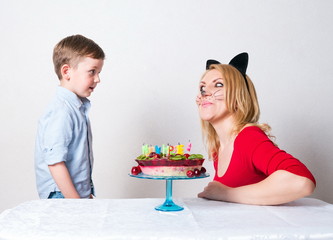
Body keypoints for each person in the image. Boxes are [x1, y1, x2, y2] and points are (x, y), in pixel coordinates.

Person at [196, 52, 316, 205]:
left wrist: (227, 193)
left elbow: (302, 182)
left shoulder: (248, 137)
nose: (206, 92)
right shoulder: (218, 147)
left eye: (218, 84)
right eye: (202, 88)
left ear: (238, 97)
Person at [35, 34, 105, 199]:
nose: (98, 79)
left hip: (74, 194)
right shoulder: (62, 111)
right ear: (67, 71)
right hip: (62, 196)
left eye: (99, 72)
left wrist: (86, 194)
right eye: (92, 72)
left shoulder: (76, 108)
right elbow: (55, 162)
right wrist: (76, 202)